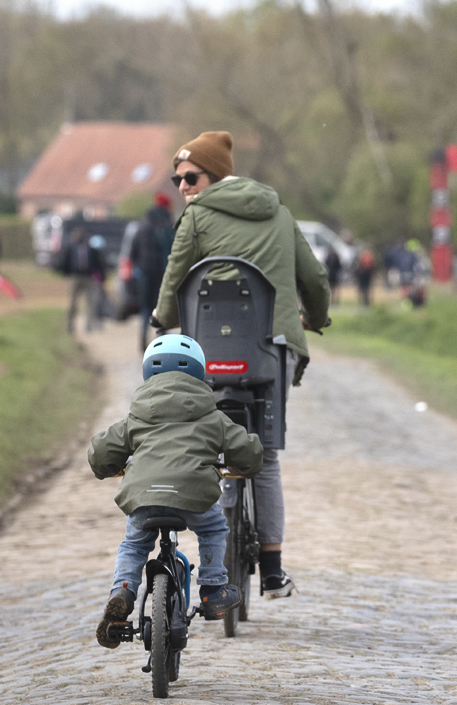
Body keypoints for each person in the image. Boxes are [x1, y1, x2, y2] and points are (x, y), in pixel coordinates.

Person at [152, 130, 330, 600]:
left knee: (212, 447)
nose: (183, 186)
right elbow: (312, 275)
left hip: (209, 350)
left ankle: (216, 565)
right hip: (271, 346)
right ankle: (272, 570)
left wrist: (162, 318)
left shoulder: (195, 217)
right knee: (265, 455)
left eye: (190, 176)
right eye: (178, 179)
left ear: (215, 175)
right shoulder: (280, 212)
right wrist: (319, 314)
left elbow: (177, 275)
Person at [89, 334, 263, 648]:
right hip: (193, 497)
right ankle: (212, 588)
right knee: (213, 527)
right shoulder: (211, 416)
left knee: (133, 545)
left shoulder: (137, 416)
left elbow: (102, 452)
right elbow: (247, 452)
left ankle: (123, 591)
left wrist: (106, 468)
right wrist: (248, 464)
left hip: (143, 498)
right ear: (200, 373)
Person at [129, 192, 175, 350]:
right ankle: (162, 342)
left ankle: (143, 339)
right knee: (161, 307)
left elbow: (132, 252)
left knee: (146, 308)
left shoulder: (143, 228)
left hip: (144, 273)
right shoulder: (169, 227)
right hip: (163, 274)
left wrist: (139, 267)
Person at [60, 226, 106, 334]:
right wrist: (66, 273)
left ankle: (88, 326)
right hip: (75, 277)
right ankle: (70, 326)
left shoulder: (90, 249)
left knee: (90, 302)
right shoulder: (71, 247)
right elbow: (65, 261)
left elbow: (98, 263)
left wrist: (101, 277)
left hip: (88, 277)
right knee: (72, 303)